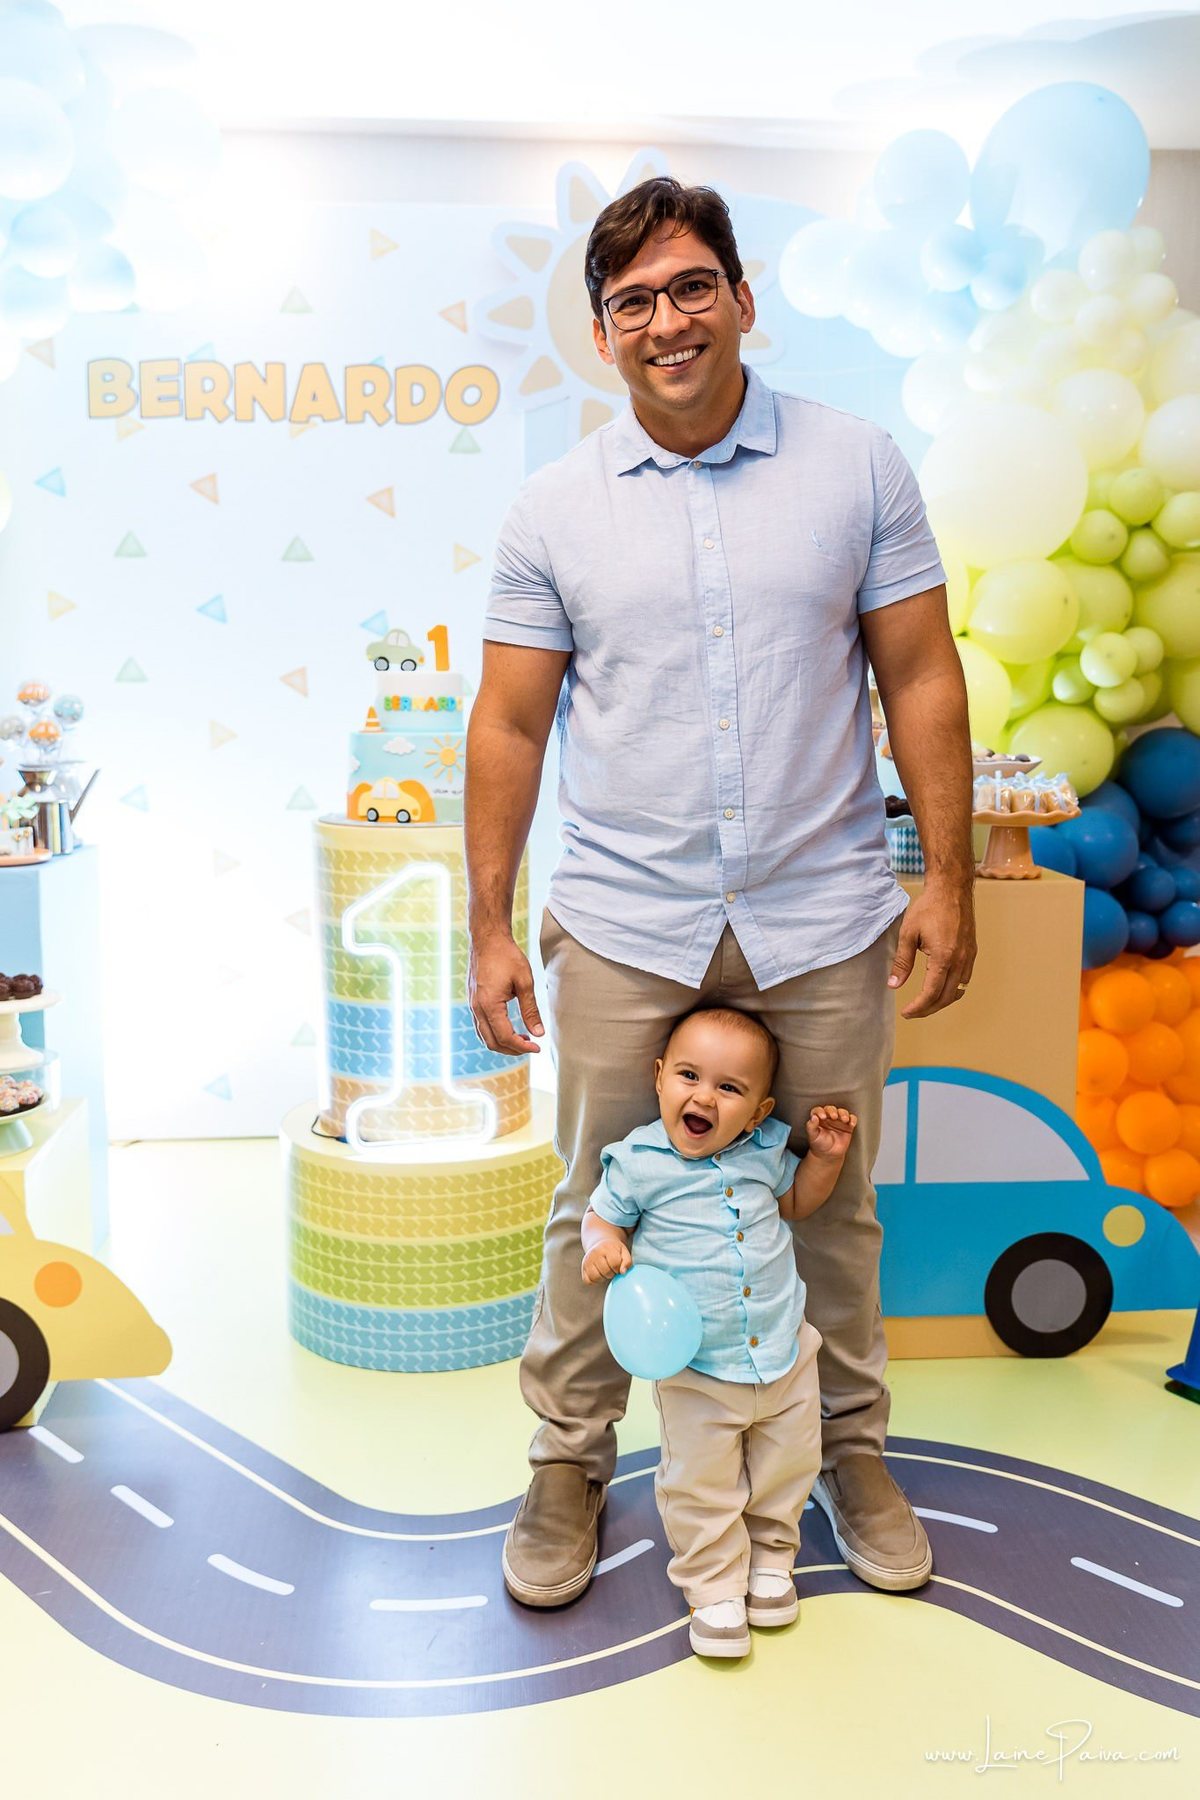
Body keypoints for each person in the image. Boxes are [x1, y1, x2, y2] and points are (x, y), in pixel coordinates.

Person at [465, 174, 976, 1612]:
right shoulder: (554, 508)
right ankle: (570, 1460)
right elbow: (508, 726)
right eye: (634, 300)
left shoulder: (858, 464)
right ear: (600, 331)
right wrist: (492, 921)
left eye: (693, 287)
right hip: (627, 916)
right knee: (595, 1204)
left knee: (829, 1195)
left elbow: (920, 674)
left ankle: (850, 1452)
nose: (668, 320)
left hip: (822, 909)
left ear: (744, 300)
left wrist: (946, 878)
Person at [581, 1004, 857, 1658]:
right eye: (688, 1076)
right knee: (700, 1482)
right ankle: (713, 1586)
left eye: (729, 1088)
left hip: (784, 1350)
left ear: (758, 1112)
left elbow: (796, 1205)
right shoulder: (641, 1160)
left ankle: (769, 1557)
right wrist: (601, 1246)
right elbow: (601, 1216)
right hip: (698, 1367)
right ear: (658, 1079)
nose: (703, 1095)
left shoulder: (763, 1152)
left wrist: (825, 1158)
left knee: (787, 1465)